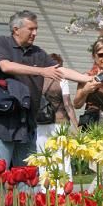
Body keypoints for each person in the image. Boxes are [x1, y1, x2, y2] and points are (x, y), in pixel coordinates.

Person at [0, 10, 92, 167]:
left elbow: (60, 70)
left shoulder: (38, 52)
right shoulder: (2, 43)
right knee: (0, 174)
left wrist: (88, 78)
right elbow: (5, 66)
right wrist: (41, 71)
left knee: (27, 175)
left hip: (28, 121)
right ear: (16, 29)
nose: (35, 33)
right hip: (4, 122)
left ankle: (25, 193)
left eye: (37, 29)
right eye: (31, 29)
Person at [35, 53, 79, 186]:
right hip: (60, 122)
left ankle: (45, 190)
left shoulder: (39, 80)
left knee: (43, 156)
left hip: (41, 122)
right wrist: (76, 125)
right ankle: (64, 188)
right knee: (63, 157)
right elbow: (67, 103)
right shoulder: (62, 80)